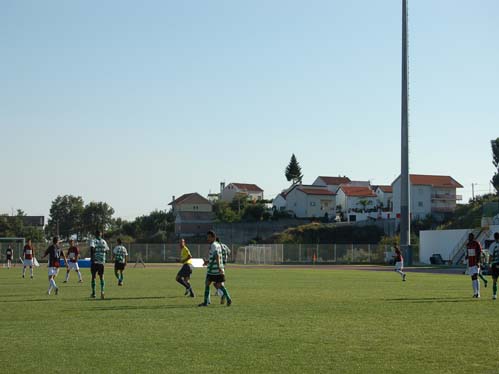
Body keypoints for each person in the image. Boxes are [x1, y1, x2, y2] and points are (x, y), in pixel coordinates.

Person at [198, 231, 232, 307]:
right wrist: (207, 262)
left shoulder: (213, 245)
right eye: (207, 237)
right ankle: (228, 298)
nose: (208, 239)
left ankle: (206, 302)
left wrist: (219, 266)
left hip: (213, 270)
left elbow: (216, 255)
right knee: (219, 285)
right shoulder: (218, 245)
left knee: (207, 284)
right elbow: (215, 256)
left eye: (209, 237)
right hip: (219, 268)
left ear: (213, 237)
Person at [90, 230, 109, 299]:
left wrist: (92, 258)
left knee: (93, 276)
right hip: (102, 262)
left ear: (95, 234)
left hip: (95, 261)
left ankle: (94, 293)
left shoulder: (93, 241)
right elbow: (107, 251)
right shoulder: (104, 241)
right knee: (102, 277)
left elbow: (92, 249)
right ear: (100, 235)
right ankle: (102, 291)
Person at [466, 233, 482, 298]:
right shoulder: (468, 244)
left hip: (475, 263)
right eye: (469, 237)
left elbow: (479, 252)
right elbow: (468, 253)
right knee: (472, 278)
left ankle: (478, 293)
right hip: (470, 263)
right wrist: (466, 256)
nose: (469, 238)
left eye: (470, 237)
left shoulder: (476, 243)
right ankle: (475, 293)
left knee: (476, 277)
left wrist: (478, 261)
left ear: (473, 237)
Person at [488, 232, 499, 300]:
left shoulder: (492, 245)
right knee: (495, 280)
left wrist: (489, 264)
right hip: (495, 264)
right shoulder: (493, 245)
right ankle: (494, 294)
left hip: (494, 264)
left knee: (494, 280)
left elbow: (491, 256)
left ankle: (494, 294)